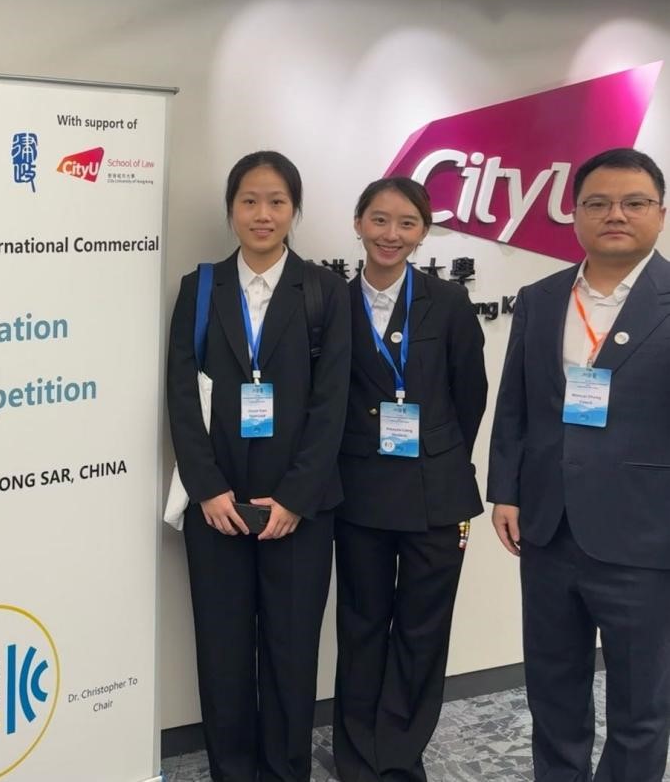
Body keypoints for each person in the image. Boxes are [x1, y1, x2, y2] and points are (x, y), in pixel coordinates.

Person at [167, 150, 350, 782]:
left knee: (291, 654)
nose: (263, 214)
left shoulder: (324, 291)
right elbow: (181, 394)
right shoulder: (200, 289)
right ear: (231, 210)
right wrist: (208, 489)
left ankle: (284, 771)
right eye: (249, 201)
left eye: (277, 201)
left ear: (294, 210)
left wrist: (296, 497)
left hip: (300, 511)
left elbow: (332, 404)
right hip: (217, 508)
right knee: (222, 655)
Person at [489, 147, 670, 782]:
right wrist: (505, 490)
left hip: (645, 534)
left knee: (640, 705)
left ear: (660, 212)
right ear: (575, 215)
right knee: (553, 690)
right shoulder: (541, 298)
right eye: (597, 203)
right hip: (547, 527)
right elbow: (514, 404)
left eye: (633, 202)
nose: (614, 214)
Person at [332, 177, 487, 782]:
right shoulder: (332, 302)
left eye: (406, 223)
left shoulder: (447, 301)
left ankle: (397, 756)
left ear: (423, 231)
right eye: (379, 219)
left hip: (436, 492)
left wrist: (441, 456)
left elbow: (469, 395)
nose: (390, 234)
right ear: (358, 223)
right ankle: (356, 756)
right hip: (359, 491)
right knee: (361, 626)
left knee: (422, 630)